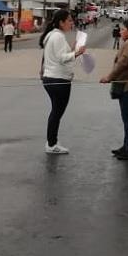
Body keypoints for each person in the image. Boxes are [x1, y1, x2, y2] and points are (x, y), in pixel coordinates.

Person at [40, 9, 86, 154]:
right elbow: (61, 58)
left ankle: (52, 140)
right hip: (58, 80)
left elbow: (58, 55)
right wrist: (77, 53)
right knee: (57, 112)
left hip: (51, 78)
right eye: (69, 21)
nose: (71, 23)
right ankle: (52, 144)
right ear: (61, 22)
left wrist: (73, 50)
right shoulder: (58, 36)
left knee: (55, 111)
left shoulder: (51, 35)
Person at [100, 18, 128, 161]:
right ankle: (127, 146)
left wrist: (109, 76)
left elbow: (122, 63)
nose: (120, 32)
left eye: (123, 29)